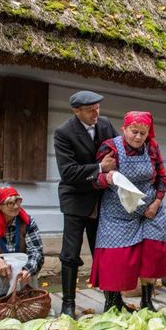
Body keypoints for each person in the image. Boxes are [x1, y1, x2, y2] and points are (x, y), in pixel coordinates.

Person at [90, 111, 166, 312]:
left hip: (150, 211)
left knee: (151, 255)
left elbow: (161, 178)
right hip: (118, 213)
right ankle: (112, 302)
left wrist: (156, 203)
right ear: (124, 129)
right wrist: (106, 178)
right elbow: (95, 181)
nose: (139, 137)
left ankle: (147, 301)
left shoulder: (152, 147)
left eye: (143, 133)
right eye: (134, 132)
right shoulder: (110, 148)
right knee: (116, 258)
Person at [54, 90, 118, 318]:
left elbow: (118, 151)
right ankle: (68, 304)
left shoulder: (106, 124)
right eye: (91, 110)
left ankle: (113, 300)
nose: (96, 113)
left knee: (103, 251)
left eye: (98, 108)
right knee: (70, 253)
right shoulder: (63, 132)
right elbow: (68, 172)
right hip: (75, 199)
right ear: (76, 111)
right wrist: (101, 168)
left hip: (101, 199)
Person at [0, 186, 44, 299]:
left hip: (21, 267)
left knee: (23, 266)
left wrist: (28, 269)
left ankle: (26, 302)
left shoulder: (27, 222)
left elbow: (37, 252)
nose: (16, 206)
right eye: (10, 203)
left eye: (18, 201)